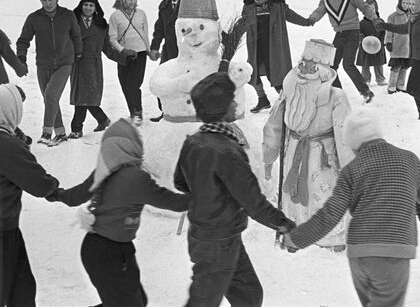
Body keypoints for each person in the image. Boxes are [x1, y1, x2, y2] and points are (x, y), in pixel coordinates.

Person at [283, 108, 420, 307]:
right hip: (393, 251)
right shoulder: (408, 159)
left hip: (359, 254)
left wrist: (297, 238)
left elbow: (330, 215)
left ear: (354, 145)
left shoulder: (351, 170)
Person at [173, 72, 295, 307]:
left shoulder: (193, 142)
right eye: (232, 99)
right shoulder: (227, 151)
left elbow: (180, 182)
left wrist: (207, 191)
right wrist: (283, 224)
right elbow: (252, 202)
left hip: (213, 237)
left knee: (249, 296)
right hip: (217, 241)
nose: (236, 103)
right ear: (222, 108)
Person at [46, 118, 190, 306]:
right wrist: (209, 193)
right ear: (132, 145)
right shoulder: (135, 178)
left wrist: (56, 194)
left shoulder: (105, 171)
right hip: (109, 253)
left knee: (134, 301)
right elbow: (175, 203)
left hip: (101, 249)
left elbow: (75, 197)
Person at [263, 39, 354, 250]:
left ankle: (330, 239)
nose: (303, 70)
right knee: (293, 197)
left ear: (323, 71)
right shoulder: (290, 90)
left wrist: (352, 170)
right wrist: (269, 155)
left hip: (324, 157)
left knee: (324, 195)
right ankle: (294, 234)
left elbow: (345, 135)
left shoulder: (336, 97)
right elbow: (274, 124)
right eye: (302, 63)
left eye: (310, 66)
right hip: (294, 149)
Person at [0, 83, 61, 306]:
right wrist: (54, 190)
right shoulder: (5, 144)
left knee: (21, 288)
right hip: (3, 230)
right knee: (16, 289)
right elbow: (36, 181)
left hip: (8, 228)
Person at [16, 0, 82, 146]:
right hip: (43, 64)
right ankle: (60, 133)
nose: (48, 3)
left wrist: (78, 53)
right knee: (50, 99)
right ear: (40, 0)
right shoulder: (34, 18)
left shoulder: (67, 15)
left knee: (51, 95)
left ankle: (46, 133)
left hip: (65, 62)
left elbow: (76, 34)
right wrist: (21, 56)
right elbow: (23, 40)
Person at [242, 0, 311, 113]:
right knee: (251, 73)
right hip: (256, 44)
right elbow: (242, 22)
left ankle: (288, 101)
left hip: (273, 44)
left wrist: (306, 22)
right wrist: (231, 36)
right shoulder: (249, 4)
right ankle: (263, 100)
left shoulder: (276, 2)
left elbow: (290, 15)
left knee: (275, 73)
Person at [309, 0, 378, 103]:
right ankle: (338, 94)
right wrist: (312, 19)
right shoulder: (325, 1)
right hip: (339, 35)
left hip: (353, 33)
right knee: (331, 67)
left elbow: (364, 7)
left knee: (348, 64)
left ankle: (366, 92)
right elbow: (318, 12)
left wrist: (374, 18)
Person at [68, 0, 123, 139]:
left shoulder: (101, 24)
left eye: (91, 5)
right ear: (81, 5)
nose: (88, 8)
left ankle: (77, 129)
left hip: (93, 63)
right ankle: (102, 120)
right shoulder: (72, 22)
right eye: (85, 4)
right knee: (84, 95)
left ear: (95, 7)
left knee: (86, 95)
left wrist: (123, 58)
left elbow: (107, 48)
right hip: (77, 63)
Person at [108, 0, 150, 124]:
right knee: (124, 84)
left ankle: (138, 112)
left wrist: (148, 50)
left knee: (133, 84)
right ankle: (132, 112)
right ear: (122, 0)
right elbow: (112, 38)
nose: (132, 2)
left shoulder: (141, 13)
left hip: (140, 53)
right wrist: (122, 50)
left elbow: (145, 33)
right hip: (124, 55)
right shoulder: (115, 16)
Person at [149, 0, 182, 122]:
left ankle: (181, 113)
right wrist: (155, 47)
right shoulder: (164, 6)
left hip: (183, 51)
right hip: (168, 50)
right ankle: (165, 112)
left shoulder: (187, 6)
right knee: (162, 80)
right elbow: (159, 28)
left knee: (181, 81)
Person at [356, 0, 387, 86]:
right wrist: (362, 38)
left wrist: (381, 42)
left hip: (377, 46)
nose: (371, 11)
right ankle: (366, 80)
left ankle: (380, 79)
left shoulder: (380, 22)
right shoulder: (361, 23)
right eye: (368, 9)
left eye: (373, 9)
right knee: (365, 64)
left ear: (376, 9)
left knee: (378, 63)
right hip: (365, 46)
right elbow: (358, 33)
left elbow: (383, 33)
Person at [384, 0, 411, 94]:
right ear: (400, 2)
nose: (405, 5)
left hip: (408, 47)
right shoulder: (393, 16)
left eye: (408, 3)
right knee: (396, 67)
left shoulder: (412, 16)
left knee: (405, 67)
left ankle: (400, 84)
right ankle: (391, 86)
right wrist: (388, 42)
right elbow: (388, 31)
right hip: (397, 46)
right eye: (403, 2)